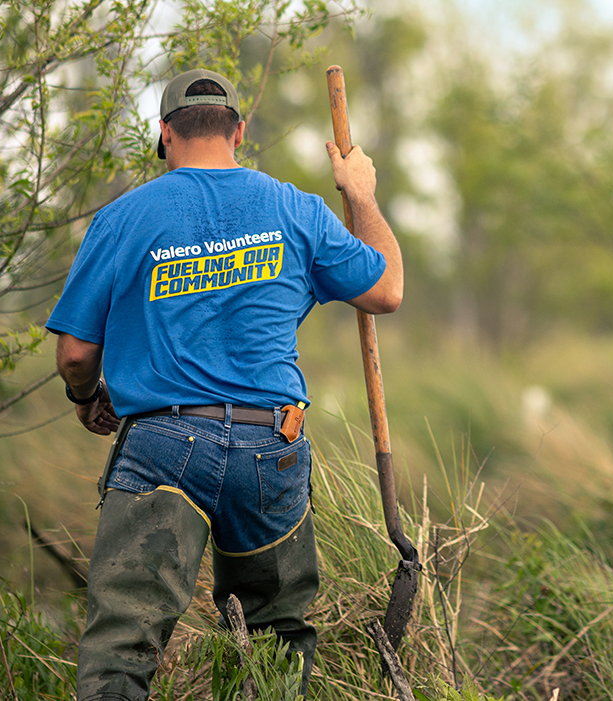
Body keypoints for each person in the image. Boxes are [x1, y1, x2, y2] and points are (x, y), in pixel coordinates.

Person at [49, 68, 402, 701]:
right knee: (271, 640)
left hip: (160, 446)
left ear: (163, 134)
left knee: (122, 649)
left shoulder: (122, 218)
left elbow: (76, 354)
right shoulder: (297, 208)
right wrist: (362, 193)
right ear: (239, 131)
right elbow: (387, 291)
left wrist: (86, 397)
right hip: (271, 443)